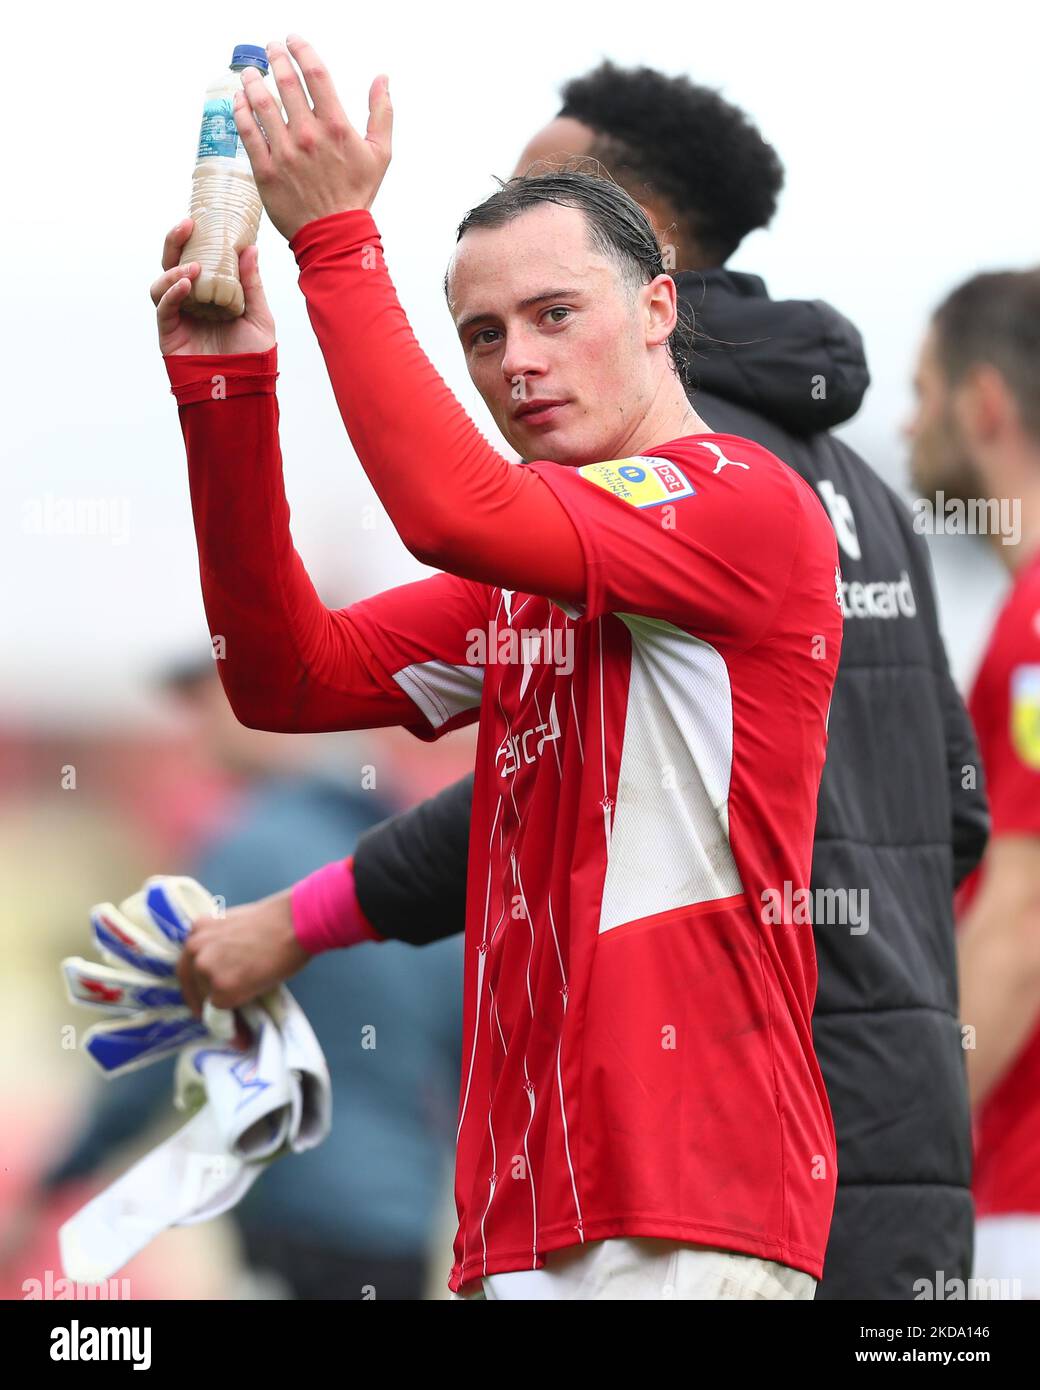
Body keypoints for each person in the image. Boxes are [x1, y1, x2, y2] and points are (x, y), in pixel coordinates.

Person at [178, 62, 989, 1298]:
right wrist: (224, 391)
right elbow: (282, 678)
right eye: (485, 335)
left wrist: (337, 242)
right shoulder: (532, 571)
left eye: (556, 314)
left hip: (686, 1211)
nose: (518, 362)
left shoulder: (740, 498)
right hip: (521, 1210)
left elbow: (451, 511)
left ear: (661, 308)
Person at [6, 659, 462, 1299]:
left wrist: (59, 1179)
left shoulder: (248, 846)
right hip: (401, 1226)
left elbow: (164, 1037)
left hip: (297, 1228)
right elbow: (470, 1050)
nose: (199, 727)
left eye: (219, 698)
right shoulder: (415, 858)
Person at [907, 268, 1040, 1297]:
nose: (905, 431)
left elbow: (1025, 918)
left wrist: (892, 1157)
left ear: (982, 403)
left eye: (920, 393)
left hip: (1015, 1202)